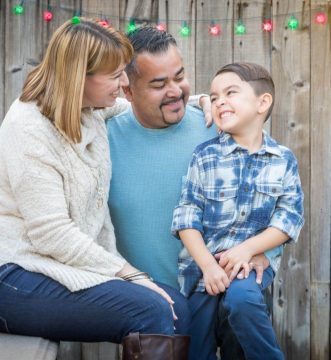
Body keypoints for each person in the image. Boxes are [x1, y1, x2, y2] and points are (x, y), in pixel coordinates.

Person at [0, 18, 191, 359]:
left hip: (56, 265)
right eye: (116, 75)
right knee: (151, 310)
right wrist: (131, 274)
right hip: (15, 273)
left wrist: (206, 100)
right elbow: (51, 234)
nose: (124, 83)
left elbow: (136, 103)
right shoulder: (28, 128)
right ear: (79, 77)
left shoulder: (88, 108)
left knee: (174, 304)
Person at [107, 27, 274, 359]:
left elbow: (268, 195)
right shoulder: (103, 139)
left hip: (228, 286)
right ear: (127, 89)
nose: (174, 91)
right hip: (155, 309)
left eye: (179, 77)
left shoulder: (218, 125)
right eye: (158, 84)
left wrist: (265, 252)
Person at [171, 62, 304, 360]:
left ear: (263, 102)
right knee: (196, 345)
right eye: (215, 97)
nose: (220, 102)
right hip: (204, 271)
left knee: (243, 303)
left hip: (251, 266)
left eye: (230, 92)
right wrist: (208, 266)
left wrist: (247, 250)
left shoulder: (282, 160)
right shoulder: (205, 157)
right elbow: (186, 217)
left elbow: (288, 219)